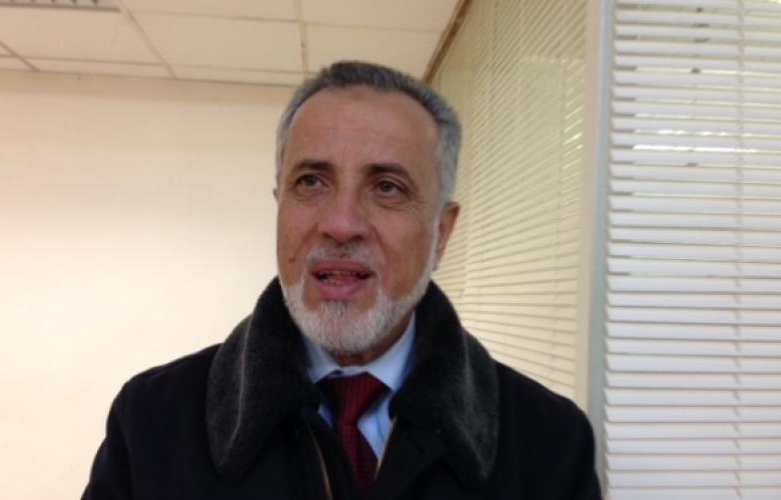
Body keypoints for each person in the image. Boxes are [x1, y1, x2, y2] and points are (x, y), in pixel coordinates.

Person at [82, 60, 602, 500]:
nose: (341, 223)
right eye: (312, 181)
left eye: (388, 187)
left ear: (441, 233)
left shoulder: (549, 443)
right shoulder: (150, 423)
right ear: (280, 209)